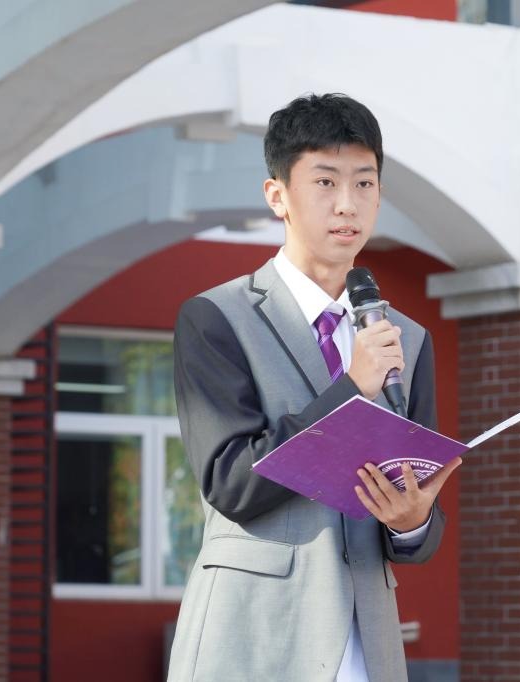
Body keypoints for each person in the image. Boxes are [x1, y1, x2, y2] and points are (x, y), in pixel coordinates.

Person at [166, 93, 460, 682]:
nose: (347, 203)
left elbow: (414, 521)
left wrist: (411, 521)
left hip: (367, 645)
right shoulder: (216, 317)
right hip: (253, 639)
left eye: (364, 183)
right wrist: (351, 388)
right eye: (325, 182)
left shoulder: (406, 338)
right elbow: (231, 482)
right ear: (277, 196)